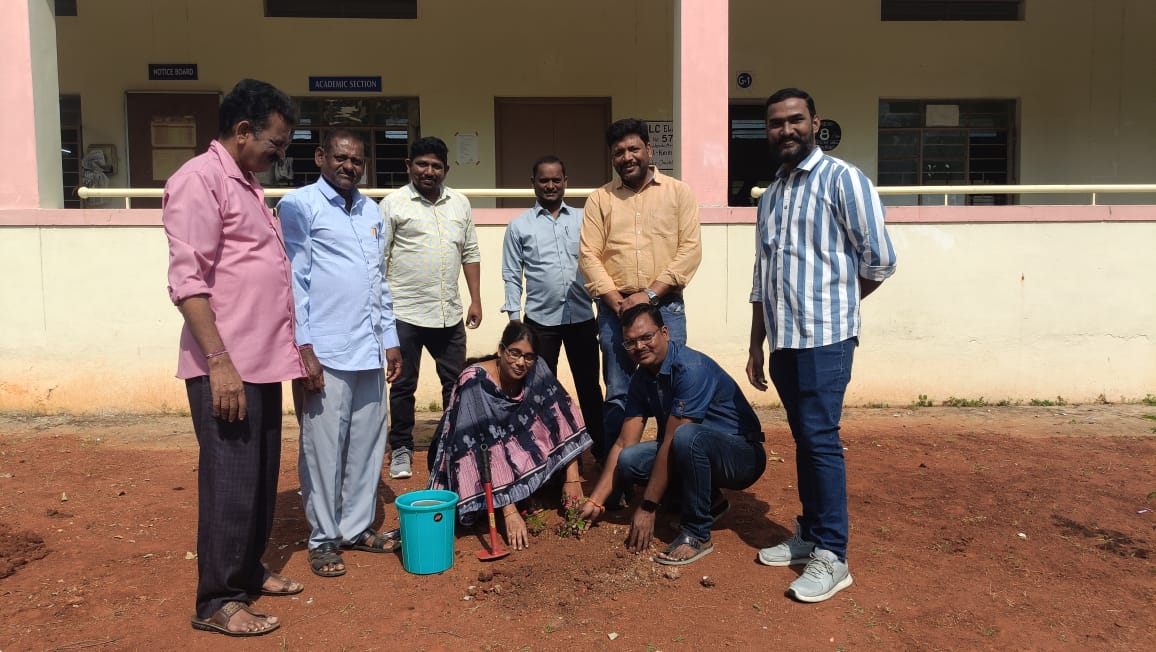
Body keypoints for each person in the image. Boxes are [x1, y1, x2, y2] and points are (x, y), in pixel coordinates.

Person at [162, 78, 303, 637]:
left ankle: (246, 571)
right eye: (276, 143)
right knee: (230, 483)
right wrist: (219, 361)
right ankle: (217, 600)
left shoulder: (245, 183)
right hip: (227, 366)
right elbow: (188, 282)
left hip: (262, 362)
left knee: (260, 479)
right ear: (243, 131)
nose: (279, 154)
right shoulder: (198, 180)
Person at [747, 88, 897, 603]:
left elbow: (880, 260)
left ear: (815, 122)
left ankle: (833, 554)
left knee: (820, 440)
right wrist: (756, 343)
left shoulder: (843, 180)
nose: (786, 130)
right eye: (776, 123)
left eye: (795, 120)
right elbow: (762, 274)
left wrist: (836, 304)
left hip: (825, 338)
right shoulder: (771, 194)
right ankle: (810, 535)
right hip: (783, 341)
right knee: (805, 439)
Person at [278, 128, 404, 579]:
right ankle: (324, 538)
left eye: (357, 160)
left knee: (368, 445)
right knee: (323, 450)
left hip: (368, 349)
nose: (349, 166)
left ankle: (355, 528)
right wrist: (304, 346)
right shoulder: (299, 205)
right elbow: (294, 281)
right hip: (326, 352)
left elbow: (379, 281)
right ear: (320, 157)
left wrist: (390, 338)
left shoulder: (373, 211)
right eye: (340, 157)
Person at [579, 305, 767, 565]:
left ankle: (697, 533)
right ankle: (711, 501)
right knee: (629, 460)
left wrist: (647, 507)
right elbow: (623, 443)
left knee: (685, 437)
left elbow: (673, 440)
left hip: (741, 457)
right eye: (631, 342)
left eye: (647, 337)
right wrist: (595, 501)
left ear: (665, 333)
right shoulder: (641, 378)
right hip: (696, 448)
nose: (639, 346)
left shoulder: (690, 368)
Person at [579, 118, 702, 448]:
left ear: (649, 149)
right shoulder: (599, 200)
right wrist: (617, 302)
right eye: (618, 152)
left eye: (634, 149)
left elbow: (690, 250)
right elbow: (588, 255)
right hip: (614, 310)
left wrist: (649, 294)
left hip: (666, 307)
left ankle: (671, 467)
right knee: (618, 392)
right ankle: (617, 469)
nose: (627, 157)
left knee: (673, 389)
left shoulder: (678, 193)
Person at [427, 322, 592, 550]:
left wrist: (572, 478)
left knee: (542, 438)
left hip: (509, 445)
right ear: (501, 350)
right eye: (514, 353)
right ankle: (517, 496)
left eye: (528, 357)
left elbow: (561, 414)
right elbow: (483, 447)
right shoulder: (474, 382)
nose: (521, 362)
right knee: (474, 500)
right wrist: (509, 510)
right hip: (470, 451)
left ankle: (525, 491)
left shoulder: (537, 368)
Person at [380, 136, 483, 480]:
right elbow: (379, 260)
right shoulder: (392, 204)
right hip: (404, 312)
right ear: (408, 166)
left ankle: (450, 443)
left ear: (446, 170)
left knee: (455, 385)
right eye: (422, 164)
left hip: (448, 313)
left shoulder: (460, 203)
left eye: (436, 166)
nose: (429, 171)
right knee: (403, 385)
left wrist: (476, 299)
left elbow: (470, 252)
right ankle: (401, 448)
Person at [501, 155, 606, 460]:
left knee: (589, 388)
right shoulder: (519, 226)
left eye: (556, 180)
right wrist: (515, 322)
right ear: (533, 183)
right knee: (540, 391)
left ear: (565, 182)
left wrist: (602, 307)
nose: (550, 185)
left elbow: (599, 263)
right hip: (539, 323)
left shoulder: (585, 220)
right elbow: (512, 274)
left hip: (582, 318)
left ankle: (601, 452)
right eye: (544, 180)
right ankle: (549, 456)